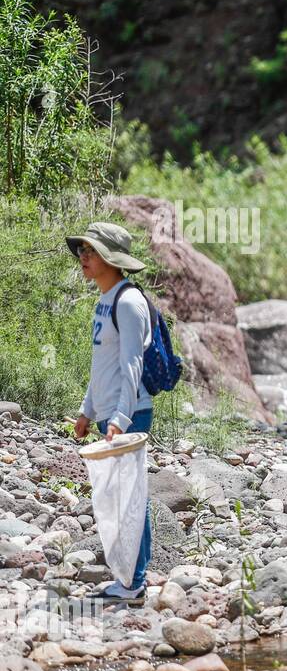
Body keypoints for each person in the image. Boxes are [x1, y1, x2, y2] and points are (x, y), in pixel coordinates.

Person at [69, 222, 154, 600]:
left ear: (111, 259)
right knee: (120, 497)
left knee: (129, 498)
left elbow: (132, 365)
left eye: (91, 251)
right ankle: (129, 579)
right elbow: (102, 365)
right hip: (111, 414)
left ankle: (134, 581)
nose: (83, 258)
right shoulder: (104, 300)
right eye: (82, 250)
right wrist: (88, 412)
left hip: (130, 414)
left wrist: (119, 419)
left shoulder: (129, 302)